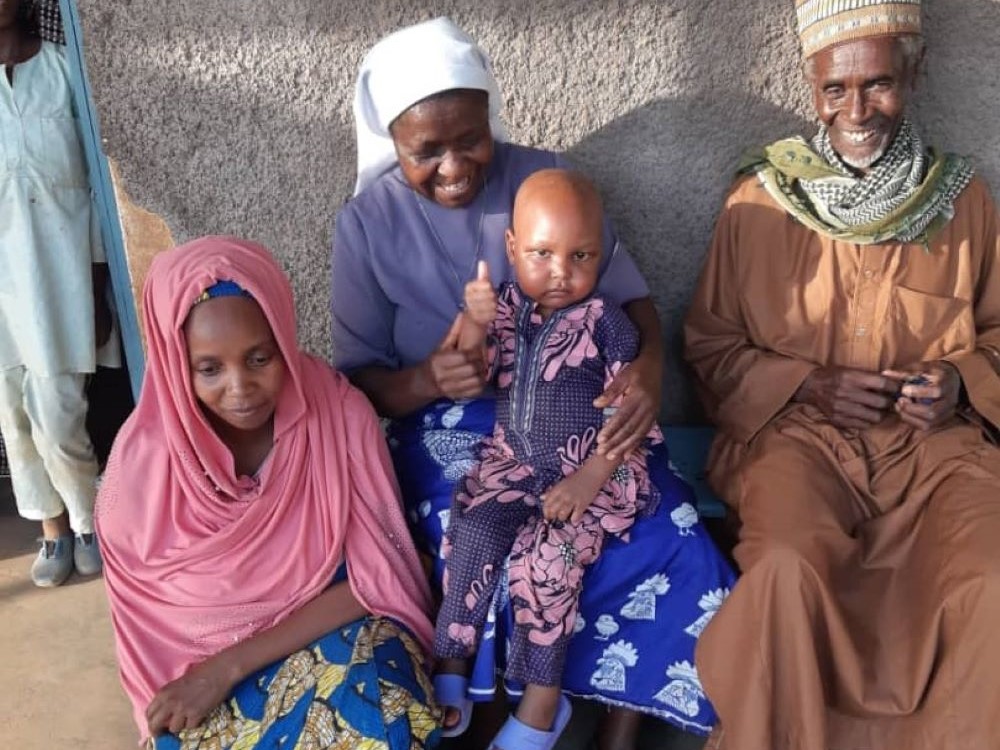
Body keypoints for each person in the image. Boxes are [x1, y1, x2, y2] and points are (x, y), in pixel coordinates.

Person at [332, 17, 736, 747]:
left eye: (470, 139)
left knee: (665, 523)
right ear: (393, 140)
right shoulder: (366, 223)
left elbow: (631, 304)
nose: (454, 165)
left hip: (586, 414)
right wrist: (425, 380)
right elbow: (356, 384)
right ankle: (494, 703)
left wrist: (646, 371)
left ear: (493, 119)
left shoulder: (544, 178)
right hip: (447, 428)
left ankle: (629, 712)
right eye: (427, 149)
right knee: (476, 528)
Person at [684, 2, 1000, 748]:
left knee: (989, 580)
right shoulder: (760, 199)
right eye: (836, 89)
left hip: (935, 454)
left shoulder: (963, 202)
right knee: (788, 569)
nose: (856, 110)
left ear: (915, 74)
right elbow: (709, 346)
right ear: (812, 85)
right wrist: (805, 383)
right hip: (799, 443)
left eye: (879, 84)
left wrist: (959, 381)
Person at [96, 237, 441, 749]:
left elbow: (386, 572)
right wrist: (206, 681)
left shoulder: (337, 418)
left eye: (261, 358)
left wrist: (227, 666)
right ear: (174, 366)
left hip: (325, 639)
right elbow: (148, 632)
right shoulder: (143, 467)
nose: (240, 388)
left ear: (284, 334)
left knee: (386, 714)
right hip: (198, 685)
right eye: (209, 369)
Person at [435, 169, 709, 750]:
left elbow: (624, 413)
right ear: (512, 249)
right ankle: (451, 666)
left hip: (593, 472)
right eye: (541, 253)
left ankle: (539, 708)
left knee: (548, 558)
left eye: (580, 255)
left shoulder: (606, 321)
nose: (561, 271)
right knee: (474, 530)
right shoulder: (507, 311)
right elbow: (465, 368)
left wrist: (590, 479)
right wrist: (474, 319)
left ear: (601, 253)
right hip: (513, 465)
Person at [0, 0, 115, 587]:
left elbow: (97, 187)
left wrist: (97, 284)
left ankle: (88, 519)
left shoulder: (64, 69)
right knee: (13, 415)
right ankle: (51, 530)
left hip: (58, 274)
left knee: (59, 410)